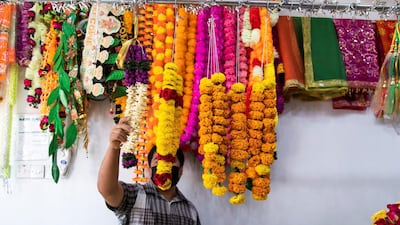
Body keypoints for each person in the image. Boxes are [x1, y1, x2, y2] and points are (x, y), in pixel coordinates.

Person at [97, 117, 201, 225]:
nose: (164, 165)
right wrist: (114, 148)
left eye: (171, 160)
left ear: (180, 171)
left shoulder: (190, 211)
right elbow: (108, 191)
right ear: (148, 170)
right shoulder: (135, 195)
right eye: (157, 160)